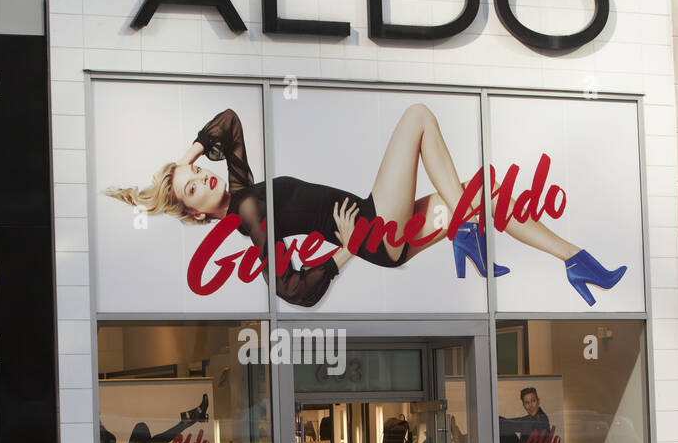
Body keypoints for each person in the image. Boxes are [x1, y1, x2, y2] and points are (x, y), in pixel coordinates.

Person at [105, 105, 627, 307]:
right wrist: (346, 249)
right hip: (377, 227)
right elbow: (293, 291)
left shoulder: (241, 190)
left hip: (379, 228)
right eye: (193, 187)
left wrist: (181, 160)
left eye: (199, 172)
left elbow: (228, 124)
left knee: (486, 197)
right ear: (196, 214)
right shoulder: (246, 217)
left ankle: (578, 264)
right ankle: (466, 230)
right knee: (417, 117)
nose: (203, 174)